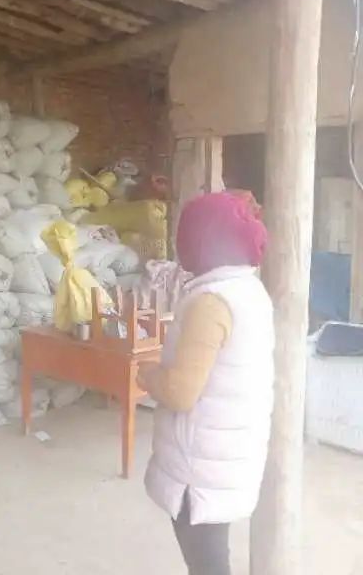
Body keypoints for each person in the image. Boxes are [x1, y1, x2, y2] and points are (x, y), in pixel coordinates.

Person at [139, 191, 274, 575]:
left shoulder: (210, 303)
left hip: (199, 467)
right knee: (211, 557)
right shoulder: (249, 291)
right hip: (227, 451)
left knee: (208, 564)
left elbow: (181, 392)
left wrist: (147, 373)